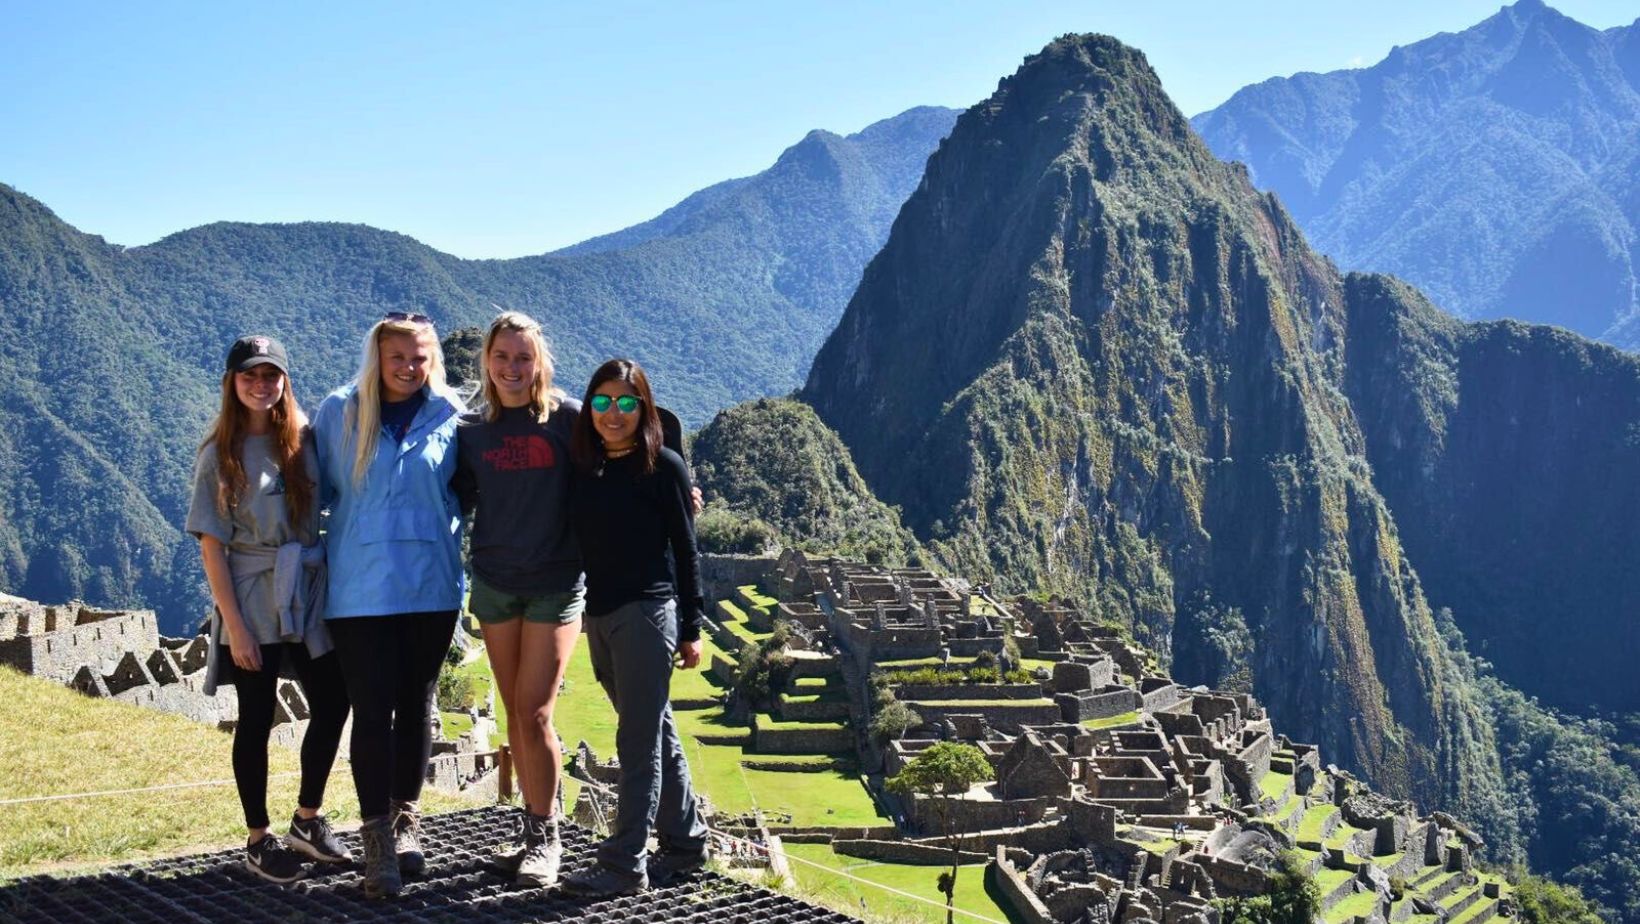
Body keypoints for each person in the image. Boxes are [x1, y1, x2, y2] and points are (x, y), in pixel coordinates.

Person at [185, 335, 351, 883]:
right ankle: (258, 839)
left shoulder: (301, 440)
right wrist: (234, 627)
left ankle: (307, 818)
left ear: (284, 380)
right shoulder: (220, 454)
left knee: (333, 702)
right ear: (232, 383)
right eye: (250, 375)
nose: (261, 385)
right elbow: (213, 545)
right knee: (256, 718)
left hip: (304, 589)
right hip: (253, 593)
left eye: (271, 375)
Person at [311, 312, 465, 898]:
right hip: (360, 588)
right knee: (371, 712)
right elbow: (310, 489)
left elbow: (480, 487)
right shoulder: (339, 411)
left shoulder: (452, 415)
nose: (408, 367)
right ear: (376, 357)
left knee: (417, 706)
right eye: (396, 356)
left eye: (419, 357)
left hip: (431, 585)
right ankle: (377, 842)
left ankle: (405, 822)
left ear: (434, 360)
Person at [560, 358, 710, 897]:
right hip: (600, 615)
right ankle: (687, 843)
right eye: (602, 402)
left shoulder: (663, 466)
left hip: (647, 615)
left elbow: (686, 551)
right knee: (656, 730)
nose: (614, 413)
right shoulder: (587, 468)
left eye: (627, 402)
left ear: (644, 407)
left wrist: (692, 625)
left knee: (637, 742)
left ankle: (624, 864)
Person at [451, 312, 582, 888]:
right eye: (501, 358)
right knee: (512, 714)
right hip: (496, 583)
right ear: (486, 361)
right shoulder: (472, 429)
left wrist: (677, 495)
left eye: (522, 358)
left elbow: (625, 466)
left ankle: (547, 836)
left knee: (536, 714)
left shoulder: (569, 420)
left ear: (539, 362)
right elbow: (449, 492)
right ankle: (531, 831)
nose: (511, 368)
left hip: (556, 583)